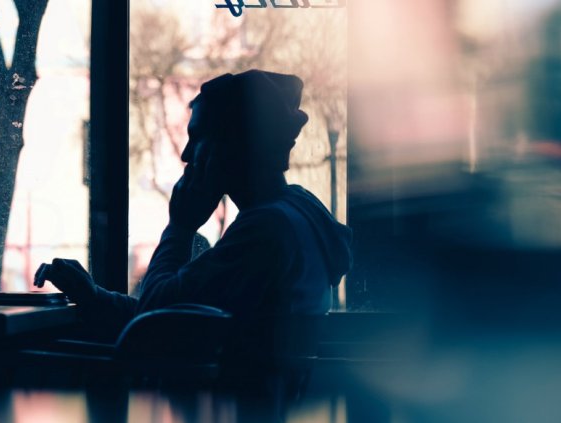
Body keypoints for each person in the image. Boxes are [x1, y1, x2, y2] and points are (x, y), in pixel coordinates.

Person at [35, 69, 353, 339]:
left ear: (236, 144)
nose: (187, 155)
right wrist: (92, 296)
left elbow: (153, 319)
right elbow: (176, 308)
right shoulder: (297, 210)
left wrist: (180, 227)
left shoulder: (265, 229)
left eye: (198, 137)